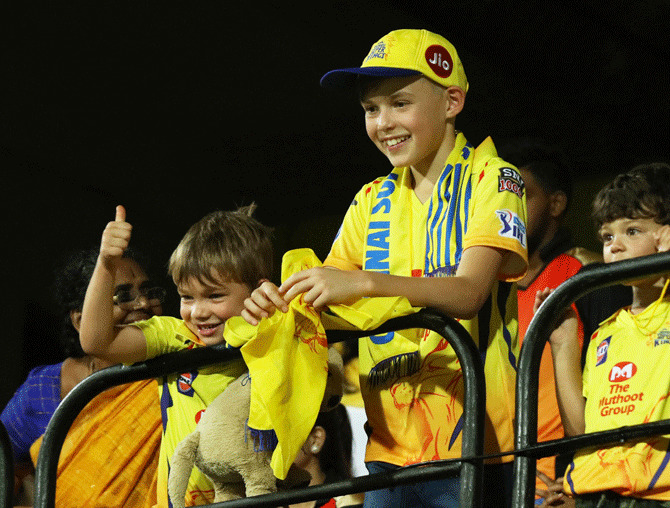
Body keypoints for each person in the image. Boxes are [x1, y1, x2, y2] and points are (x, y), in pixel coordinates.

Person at [242, 29, 528, 508]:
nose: (383, 123)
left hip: (478, 444)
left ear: (452, 101)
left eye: (399, 103)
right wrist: (276, 305)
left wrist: (362, 281)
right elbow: (327, 303)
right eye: (371, 110)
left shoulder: (496, 178)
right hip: (387, 449)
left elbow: (470, 293)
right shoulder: (370, 199)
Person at [79, 204, 274, 507]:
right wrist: (106, 264)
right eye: (186, 297)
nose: (198, 312)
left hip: (256, 497)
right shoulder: (175, 336)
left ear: (257, 290)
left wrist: (273, 313)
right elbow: (95, 341)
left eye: (215, 295)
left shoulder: (273, 332)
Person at [498, 137, 632, 503]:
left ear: (556, 203)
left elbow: (616, 394)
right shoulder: (488, 289)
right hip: (497, 473)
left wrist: (583, 479)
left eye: (522, 196)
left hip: (561, 480)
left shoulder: (585, 275)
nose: (509, 210)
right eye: (503, 199)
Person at [539, 162, 670, 507]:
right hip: (599, 494)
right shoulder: (605, 333)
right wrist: (564, 343)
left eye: (633, 231)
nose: (616, 246)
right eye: (608, 236)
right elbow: (581, 432)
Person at [0, 247, 165, 507]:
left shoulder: (176, 371)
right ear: (80, 320)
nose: (143, 303)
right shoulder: (43, 389)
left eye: (149, 292)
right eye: (123, 295)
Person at [291, 405, 365, 508]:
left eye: (280, 432)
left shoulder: (349, 501)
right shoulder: (264, 498)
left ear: (316, 439)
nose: (266, 443)